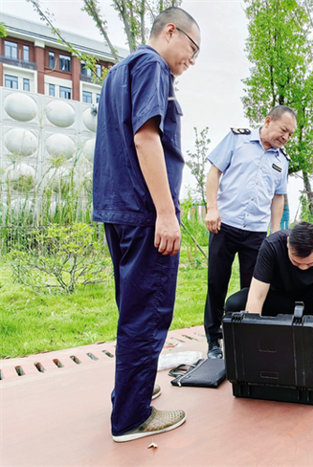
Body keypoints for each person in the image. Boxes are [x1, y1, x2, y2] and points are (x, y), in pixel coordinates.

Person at [92, 7, 200, 442]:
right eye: (191, 50)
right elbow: (146, 136)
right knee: (149, 312)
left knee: (132, 309)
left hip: (118, 208)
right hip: (144, 212)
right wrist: (167, 212)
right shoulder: (154, 67)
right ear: (170, 31)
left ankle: (131, 393)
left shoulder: (118, 71)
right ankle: (132, 418)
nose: (190, 62)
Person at [203, 106, 296, 359]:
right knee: (217, 284)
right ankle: (213, 340)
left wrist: (275, 232)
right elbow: (214, 171)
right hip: (224, 224)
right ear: (268, 121)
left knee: (253, 289)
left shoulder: (281, 160)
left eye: (290, 134)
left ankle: (245, 338)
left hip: (256, 233)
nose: (286, 137)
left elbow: (279, 197)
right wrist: (212, 208)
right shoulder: (238, 139)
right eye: (283, 130)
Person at [225, 222, 313, 380]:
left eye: (310, 264)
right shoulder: (271, 246)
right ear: (287, 244)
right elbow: (257, 296)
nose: (303, 268)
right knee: (234, 304)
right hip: (279, 301)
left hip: (311, 309)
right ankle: (250, 354)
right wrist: (257, 343)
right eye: (296, 262)